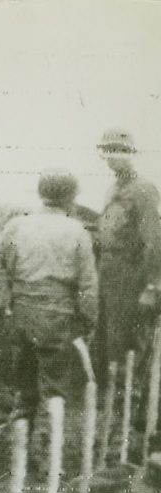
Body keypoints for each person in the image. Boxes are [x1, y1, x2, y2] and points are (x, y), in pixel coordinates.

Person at [0, 170, 98, 441]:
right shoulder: (77, 231)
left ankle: (19, 447)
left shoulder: (17, 226)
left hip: (22, 315)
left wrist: (2, 302)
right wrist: (87, 320)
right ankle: (48, 454)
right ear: (71, 198)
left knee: (24, 388)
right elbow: (88, 284)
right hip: (58, 318)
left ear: (41, 195)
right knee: (54, 390)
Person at [94, 129, 161, 386]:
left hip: (131, 278)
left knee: (129, 342)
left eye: (118, 151)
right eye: (107, 151)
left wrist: (152, 286)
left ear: (130, 154)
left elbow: (153, 241)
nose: (111, 157)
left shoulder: (143, 190)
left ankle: (129, 401)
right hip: (108, 275)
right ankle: (109, 402)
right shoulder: (112, 191)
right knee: (109, 339)